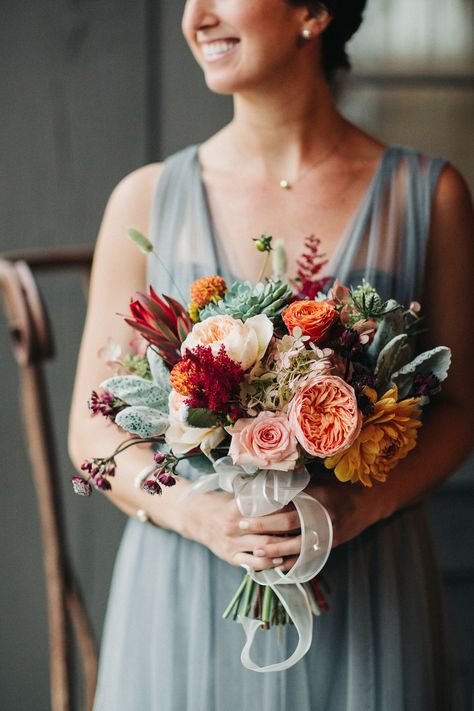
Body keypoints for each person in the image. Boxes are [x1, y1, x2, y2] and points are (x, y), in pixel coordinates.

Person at [68, 1, 474, 709]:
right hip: (186, 587)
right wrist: (199, 514)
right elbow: (91, 429)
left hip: (367, 587)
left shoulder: (428, 195)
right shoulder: (142, 198)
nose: (196, 16)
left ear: (312, 10)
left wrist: (352, 508)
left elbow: (462, 412)